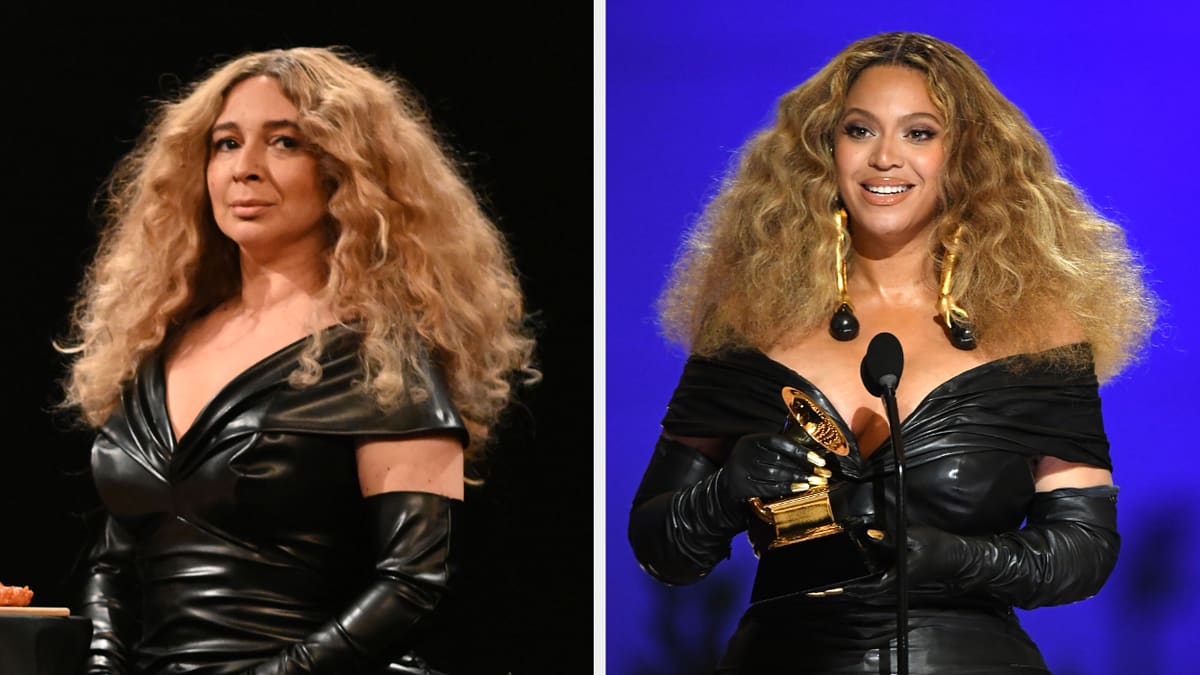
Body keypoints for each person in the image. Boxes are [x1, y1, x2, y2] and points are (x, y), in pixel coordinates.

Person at [627, 32, 1154, 674]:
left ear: (966, 156)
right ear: (825, 150)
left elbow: (1084, 548)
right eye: (859, 131)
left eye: (919, 133)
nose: (883, 157)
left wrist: (957, 558)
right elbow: (661, 548)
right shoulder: (748, 321)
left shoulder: (1038, 331)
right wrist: (723, 494)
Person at [58, 46, 536, 674]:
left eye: (284, 143)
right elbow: (113, 564)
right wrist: (102, 665)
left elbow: (411, 583)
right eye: (227, 144)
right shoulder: (161, 344)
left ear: (345, 171)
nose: (245, 169)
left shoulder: (388, 357)